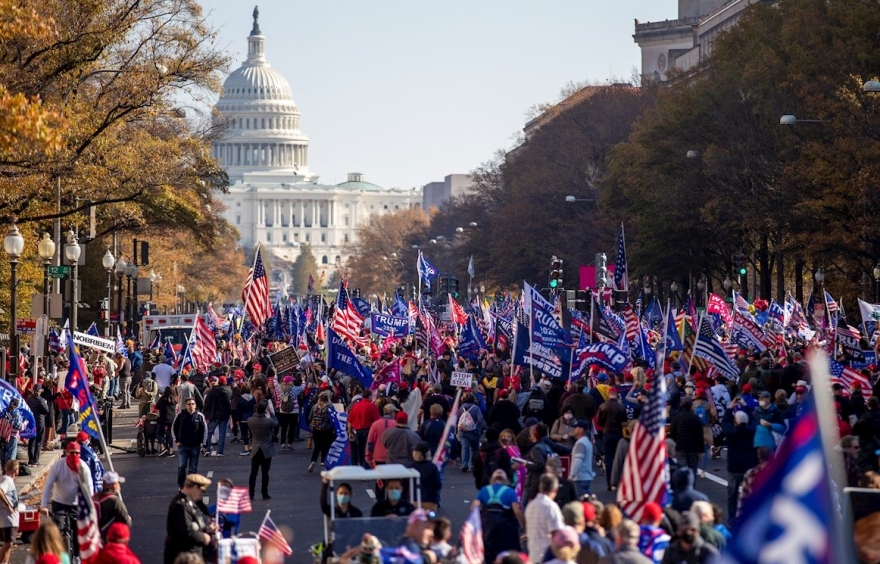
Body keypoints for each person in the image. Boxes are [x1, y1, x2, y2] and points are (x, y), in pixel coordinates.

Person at [473, 469, 523, 564]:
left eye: (501, 471)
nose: (499, 471)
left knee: (489, 555)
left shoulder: (484, 490)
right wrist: (525, 526)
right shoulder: (510, 492)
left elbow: (473, 509)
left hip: (488, 530)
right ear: (506, 480)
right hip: (506, 531)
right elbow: (517, 511)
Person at [163, 473, 215, 564]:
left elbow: (193, 526)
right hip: (183, 557)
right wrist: (204, 537)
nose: (201, 495)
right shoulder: (181, 505)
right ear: (195, 487)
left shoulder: (189, 503)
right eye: (201, 491)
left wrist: (206, 529)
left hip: (190, 555)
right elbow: (187, 532)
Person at [40, 442, 94, 522]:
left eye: (77, 453)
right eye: (72, 452)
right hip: (59, 502)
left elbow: (89, 488)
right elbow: (48, 485)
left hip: (76, 504)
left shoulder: (84, 468)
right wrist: (43, 505)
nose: (74, 455)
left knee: (78, 531)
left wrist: (91, 507)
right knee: (59, 529)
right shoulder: (58, 465)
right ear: (66, 452)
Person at [525, 473, 566, 563]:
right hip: (548, 556)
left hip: (533, 555)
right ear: (556, 489)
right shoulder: (551, 507)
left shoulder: (530, 506)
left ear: (540, 488)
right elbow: (557, 534)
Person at [172, 397, 207, 488]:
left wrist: (204, 445)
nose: (191, 406)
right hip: (183, 445)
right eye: (189, 404)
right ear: (185, 405)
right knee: (182, 466)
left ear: (195, 405)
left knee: (193, 468)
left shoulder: (199, 416)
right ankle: (181, 485)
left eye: (192, 404)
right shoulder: (180, 415)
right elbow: (174, 428)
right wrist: (176, 440)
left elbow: (204, 431)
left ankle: (190, 487)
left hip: (195, 446)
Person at [246, 400, 278, 500]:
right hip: (266, 448)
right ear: (265, 410)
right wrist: (271, 412)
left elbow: (253, 416)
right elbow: (276, 422)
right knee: (265, 473)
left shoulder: (250, 420)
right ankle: (265, 493)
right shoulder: (268, 421)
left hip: (255, 447)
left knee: (253, 473)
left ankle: (251, 493)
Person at [597, 389, 626, 490]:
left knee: (609, 458)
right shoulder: (621, 407)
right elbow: (624, 422)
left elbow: (599, 422)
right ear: (616, 395)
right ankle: (618, 481)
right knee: (619, 459)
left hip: (607, 433)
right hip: (618, 433)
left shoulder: (602, 406)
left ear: (608, 395)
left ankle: (609, 482)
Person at [668, 397, 704, 477]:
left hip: (680, 448)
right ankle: (691, 488)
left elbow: (672, 434)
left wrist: (672, 448)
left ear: (681, 405)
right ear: (691, 405)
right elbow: (700, 435)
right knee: (692, 473)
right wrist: (701, 449)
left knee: (681, 472)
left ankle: (682, 488)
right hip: (693, 448)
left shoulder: (676, 418)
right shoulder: (695, 418)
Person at [94, 472, 131, 541]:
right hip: (109, 538)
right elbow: (126, 522)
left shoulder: (95, 497)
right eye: (118, 483)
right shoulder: (114, 501)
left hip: (95, 537)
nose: (119, 485)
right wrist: (129, 518)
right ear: (114, 485)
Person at [349, 389, 380, 468]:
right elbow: (377, 421)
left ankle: (359, 464)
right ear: (369, 396)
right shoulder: (372, 406)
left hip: (357, 430)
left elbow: (350, 420)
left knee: (359, 448)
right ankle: (365, 466)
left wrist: (350, 432)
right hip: (368, 431)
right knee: (367, 449)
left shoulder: (355, 406)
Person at [457, 393, 488, 473]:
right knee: (475, 448)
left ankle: (464, 465)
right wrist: (486, 428)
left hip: (463, 431)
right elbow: (480, 420)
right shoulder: (476, 408)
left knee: (465, 447)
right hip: (474, 431)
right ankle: (474, 464)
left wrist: (456, 430)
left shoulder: (461, 408)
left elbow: (457, 418)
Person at [203, 376, 232, 456]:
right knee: (222, 433)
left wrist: (205, 413)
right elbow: (229, 404)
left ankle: (207, 449)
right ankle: (220, 451)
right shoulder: (227, 391)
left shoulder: (212, 391)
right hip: (224, 415)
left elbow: (207, 404)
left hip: (214, 414)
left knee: (209, 432)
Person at [408, 441, 442, 510]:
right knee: (429, 520)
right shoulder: (432, 467)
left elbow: (405, 484)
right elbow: (438, 485)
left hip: (414, 500)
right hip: (430, 500)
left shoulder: (410, 467)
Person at [308, 392, 335, 473]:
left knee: (317, 446)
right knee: (325, 446)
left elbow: (310, 417)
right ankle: (323, 461)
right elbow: (332, 418)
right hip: (326, 429)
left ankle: (313, 461)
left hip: (316, 429)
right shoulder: (330, 406)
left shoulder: (315, 406)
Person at [569, 419, 596, 498]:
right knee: (586, 500)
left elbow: (578, 460)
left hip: (580, 478)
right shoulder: (586, 441)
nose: (573, 429)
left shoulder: (580, 443)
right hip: (585, 477)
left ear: (581, 429)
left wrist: (571, 475)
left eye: (575, 427)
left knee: (581, 502)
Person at [0, 461, 19, 564]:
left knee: (8, 544)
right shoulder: (7, 480)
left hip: (10, 518)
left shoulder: (8, 480)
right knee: (8, 543)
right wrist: (7, 505)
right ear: (15, 470)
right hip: (8, 518)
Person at [26, 386, 49, 467]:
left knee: (31, 441)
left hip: (32, 421)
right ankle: (35, 460)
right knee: (39, 441)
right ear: (39, 391)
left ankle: (30, 460)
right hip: (39, 421)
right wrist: (45, 404)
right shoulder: (41, 400)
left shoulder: (29, 399)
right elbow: (46, 410)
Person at [0, 398, 24, 469]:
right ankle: (9, 469)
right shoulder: (16, 413)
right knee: (11, 453)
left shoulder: (4, 411)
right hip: (12, 435)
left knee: (3, 452)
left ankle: (4, 467)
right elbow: (18, 426)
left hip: (2, 434)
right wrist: (23, 425)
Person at [156, 387, 178, 458]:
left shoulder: (163, 399)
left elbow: (157, 406)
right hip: (172, 419)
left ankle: (162, 447)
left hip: (163, 419)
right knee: (169, 434)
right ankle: (171, 451)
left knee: (158, 433)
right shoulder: (174, 400)